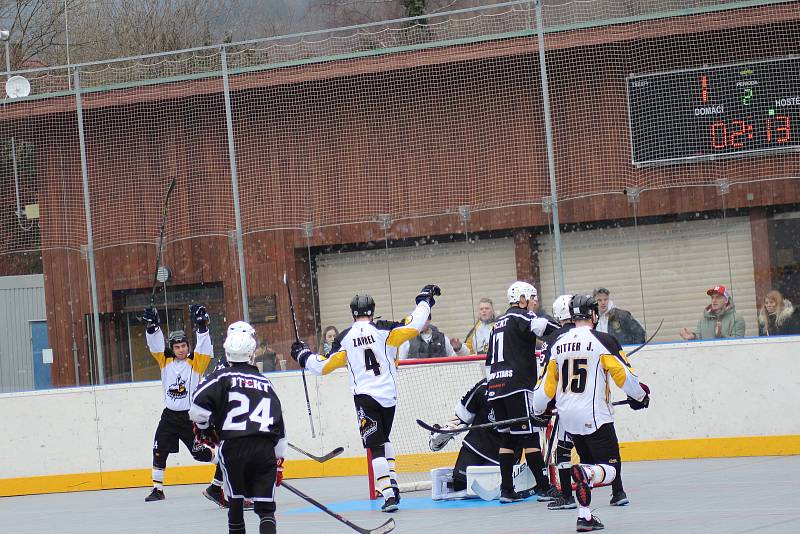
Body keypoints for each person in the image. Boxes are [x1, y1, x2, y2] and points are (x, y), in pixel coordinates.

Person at [289, 284, 438, 512]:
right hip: (388, 397)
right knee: (384, 439)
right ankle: (393, 484)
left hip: (365, 398)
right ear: (372, 310)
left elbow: (323, 366)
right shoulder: (385, 330)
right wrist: (424, 300)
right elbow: (415, 323)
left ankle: (388, 495)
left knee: (376, 447)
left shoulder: (345, 338)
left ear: (352, 313)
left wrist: (303, 354)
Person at [533, 295, 650, 532]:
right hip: (595, 417)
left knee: (587, 468)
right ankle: (586, 473)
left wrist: (538, 410)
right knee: (609, 470)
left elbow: (545, 385)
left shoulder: (558, 344)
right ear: (593, 316)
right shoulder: (603, 340)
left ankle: (585, 517)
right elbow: (623, 375)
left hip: (569, 419)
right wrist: (639, 396)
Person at [190, 328, 287, 534]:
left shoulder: (221, 377)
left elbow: (197, 409)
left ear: (227, 354)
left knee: (235, 505)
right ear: (252, 354)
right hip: (264, 449)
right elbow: (280, 426)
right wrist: (278, 462)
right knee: (266, 509)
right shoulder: (266, 383)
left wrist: (206, 430)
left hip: (233, 447)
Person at [485, 281, 560, 503]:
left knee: (507, 439)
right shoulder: (521, 316)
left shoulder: (497, 323)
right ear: (522, 299)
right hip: (517, 386)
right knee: (529, 436)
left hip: (496, 388)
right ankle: (543, 487)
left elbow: (490, 361)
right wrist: (570, 331)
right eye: (532, 298)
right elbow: (545, 328)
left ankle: (507, 490)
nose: (534, 303)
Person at [141, 304, 215, 502]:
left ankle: (224, 463)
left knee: (199, 454)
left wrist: (202, 326)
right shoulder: (165, 360)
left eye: (184, 346)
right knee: (159, 450)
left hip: (188, 418)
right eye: (177, 347)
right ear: (172, 348)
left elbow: (204, 346)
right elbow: (155, 345)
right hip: (169, 416)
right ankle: (158, 489)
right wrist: (152, 327)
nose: (181, 350)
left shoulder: (196, 362)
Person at [202, 321, 257, 509]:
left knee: (231, 454)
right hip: (224, 418)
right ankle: (235, 496)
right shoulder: (231, 365)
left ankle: (216, 488)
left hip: (227, 417)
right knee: (236, 454)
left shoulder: (231, 361)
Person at [427, 378, 505, 498]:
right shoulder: (484, 386)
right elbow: (463, 415)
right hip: (475, 446)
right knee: (460, 484)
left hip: (502, 451)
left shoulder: (519, 386)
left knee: (485, 488)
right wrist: (449, 429)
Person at [680, 285, 746, 340]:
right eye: (712, 297)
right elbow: (699, 340)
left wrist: (720, 335)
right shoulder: (703, 319)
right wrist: (693, 337)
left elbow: (737, 346)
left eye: (718, 297)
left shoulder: (737, 319)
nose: (714, 300)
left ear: (726, 300)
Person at [399, 314, 469, 359]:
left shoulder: (442, 338)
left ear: (429, 320)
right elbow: (399, 363)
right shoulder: (407, 340)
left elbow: (463, 357)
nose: (421, 322)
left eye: (423, 319)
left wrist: (459, 349)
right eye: (418, 319)